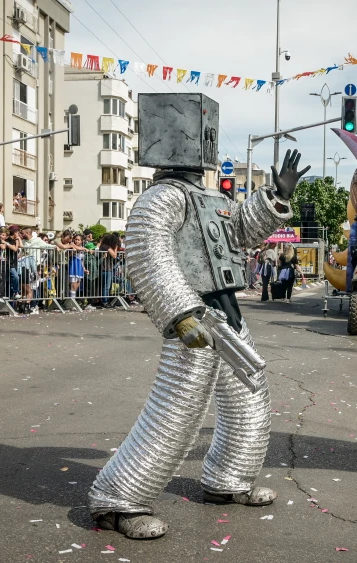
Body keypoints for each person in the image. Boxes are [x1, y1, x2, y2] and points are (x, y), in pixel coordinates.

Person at [87, 90, 308, 540]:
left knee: (248, 397)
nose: (207, 140)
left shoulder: (205, 197)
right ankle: (118, 499)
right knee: (175, 412)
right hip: (197, 317)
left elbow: (238, 234)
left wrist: (274, 198)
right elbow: (149, 255)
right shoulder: (160, 198)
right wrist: (182, 315)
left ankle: (228, 480)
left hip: (227, 314)